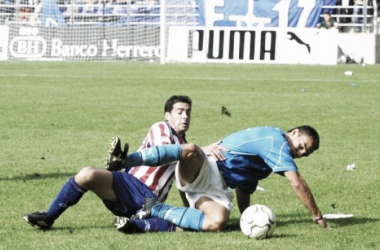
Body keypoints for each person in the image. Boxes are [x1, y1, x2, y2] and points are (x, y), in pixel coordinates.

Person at [23, 95, 224, 233]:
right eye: (180, 111)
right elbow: (165, 154)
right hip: (129, 185)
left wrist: (189, 206)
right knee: (87, 174)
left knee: (189, 224)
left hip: (150, 201)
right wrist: (200, 149)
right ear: (167, 115)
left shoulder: (185, 147)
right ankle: (48, 217)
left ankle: (136, 225)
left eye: (188, 112)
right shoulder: (161, 128)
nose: (185, 116)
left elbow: (184, 184)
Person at [114, 125, 329, 232]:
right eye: (301, 146)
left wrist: (248, 219)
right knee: (190, 150)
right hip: (206, 167)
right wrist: (317, 215)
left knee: (216, 222)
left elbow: (244, 186)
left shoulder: (271, 155)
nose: (300, 152)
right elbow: (297, 182)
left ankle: (155, 209)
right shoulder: (276, 141)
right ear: (294, 131)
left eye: (304, 153)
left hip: (216, 190)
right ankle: (126, 160)